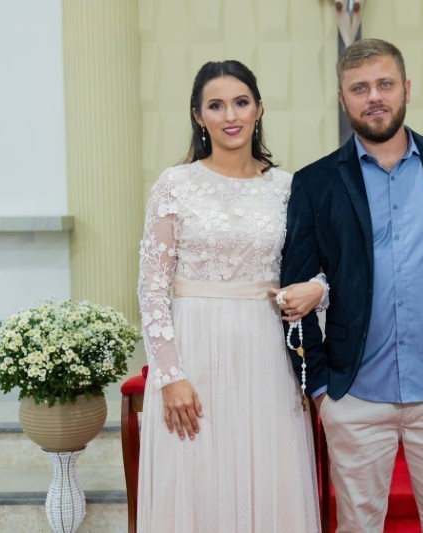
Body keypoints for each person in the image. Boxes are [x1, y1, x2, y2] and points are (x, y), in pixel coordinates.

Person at [280, 38, 423, 531]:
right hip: (355, 396)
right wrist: (321, 389)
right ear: (342, 99)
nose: (374, 97)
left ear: (406, 88)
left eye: (385, 84)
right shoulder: (315, 183)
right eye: (359, 88)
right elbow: (293, 293)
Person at [136, 60, 324, 532]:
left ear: (259, 108)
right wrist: (170, 376)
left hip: (265, 353)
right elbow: (152, 288)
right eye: (216, 106)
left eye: (241, 102)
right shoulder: (174, 185)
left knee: (265, 480)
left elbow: (320, 268)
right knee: (195, 478)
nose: (230, 115)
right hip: (194, 351)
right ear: (198, 116)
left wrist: (318, 289)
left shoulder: (287, 188)